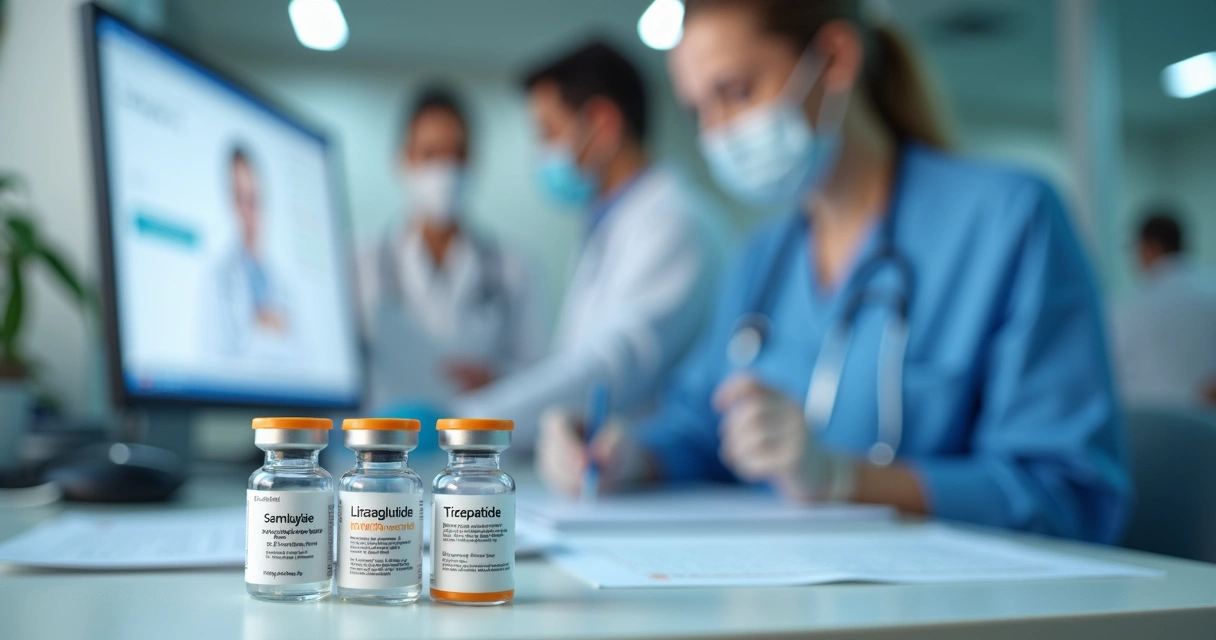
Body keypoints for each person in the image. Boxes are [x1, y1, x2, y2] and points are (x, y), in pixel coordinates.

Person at [537, 0, 1129, 543]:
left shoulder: (1009, 219)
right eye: (700, 109)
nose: (716, 132)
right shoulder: (761, 260)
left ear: (837, 59)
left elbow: (1068, 494)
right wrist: (626, 454)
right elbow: (699, 424)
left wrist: (841, 480)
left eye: (737, 91)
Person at [455, 41, 726, 449]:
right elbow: (578, 362)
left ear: (601, 123)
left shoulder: (673, 221)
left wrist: (467, 421)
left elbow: (611, 368)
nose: (541, 152)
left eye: (548, 132)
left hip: (658, 479)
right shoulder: (609, 226)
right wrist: (507, 385)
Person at [358, 85, 541, 406]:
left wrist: (498, 379)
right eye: (430, 154)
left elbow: (537, 377)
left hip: (477, 448)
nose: (445, 170)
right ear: (404, 160)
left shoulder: (514, 265)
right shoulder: (361, 262)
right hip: (385, 447)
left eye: (456, 155)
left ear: (473, 161)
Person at [1110, 209, 1216, 407]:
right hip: (1209, 429)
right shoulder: (1212, 292)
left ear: (1151, 247)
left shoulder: (1128, 306)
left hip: (1147, 428)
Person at [203, 145, 296, 359]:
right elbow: (212, 354)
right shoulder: (216, 275)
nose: (248, 213)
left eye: (254, 200)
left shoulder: (285, 284)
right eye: (240, 200)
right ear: (231, 202)